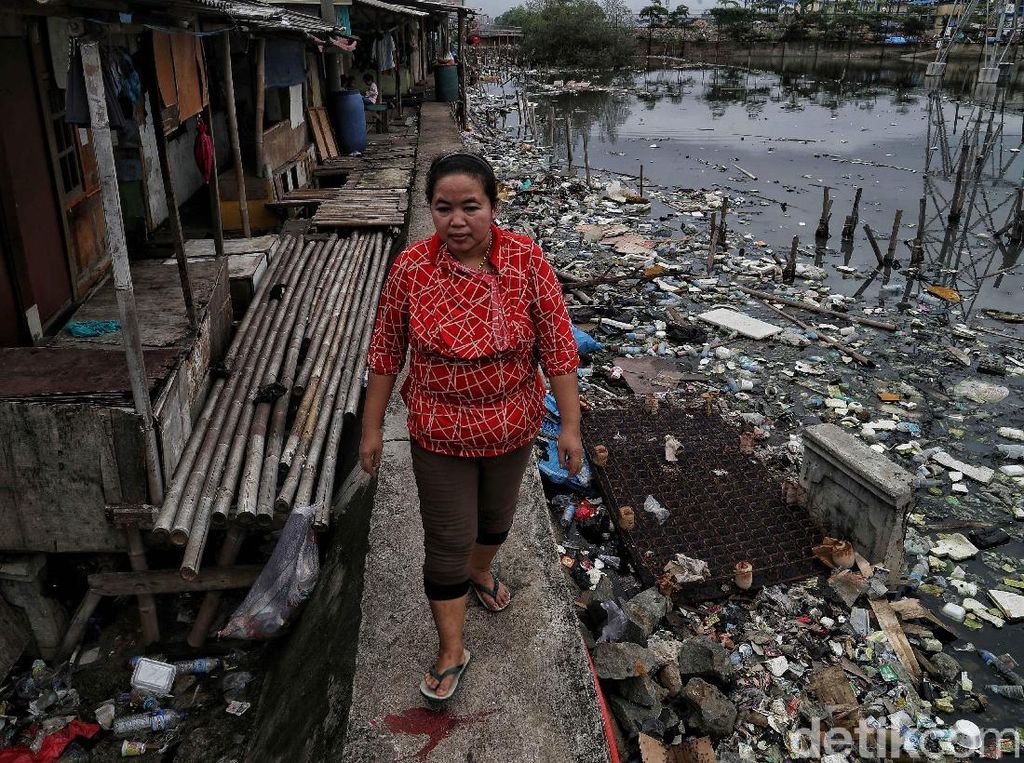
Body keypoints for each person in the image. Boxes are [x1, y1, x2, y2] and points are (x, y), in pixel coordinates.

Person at [359, 152, 583, 702]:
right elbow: (386, 354)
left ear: (492, 205)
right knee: (446, 539)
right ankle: (451, 648)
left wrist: (570, 428)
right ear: (429, 211)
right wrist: (369, 430)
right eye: (443, 208)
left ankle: (481, 572)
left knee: (496, 519)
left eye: (470, 207)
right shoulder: (411, 269)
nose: (456, 220)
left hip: (513, 426)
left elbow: (558, 348)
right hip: (439, 431)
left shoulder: (528, 261)